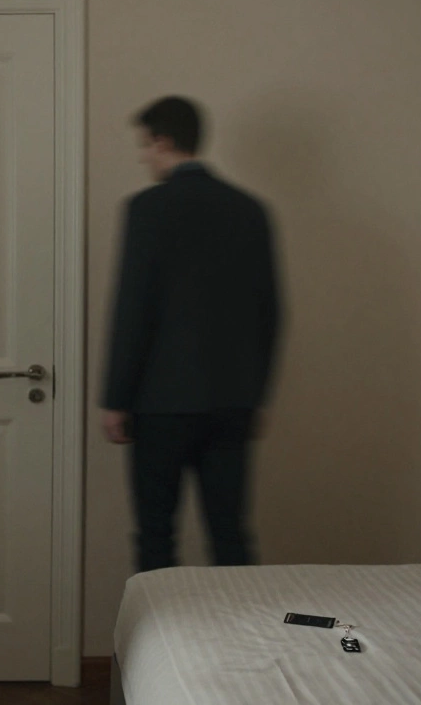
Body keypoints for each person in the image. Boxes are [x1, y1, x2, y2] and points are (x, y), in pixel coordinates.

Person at [102, 96, 281, 572]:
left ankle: (161, 639)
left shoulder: (147, 209)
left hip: (159, 402)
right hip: (232, 400)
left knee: (156, 536)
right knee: (230, 533)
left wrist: (115, 398)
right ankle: (243, 642)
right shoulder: (249, 210)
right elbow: (270, 311)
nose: (144, 156)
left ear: (163, 140)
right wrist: (257, 394)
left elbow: (133, 309)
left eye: (145, 145)